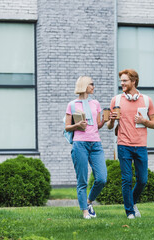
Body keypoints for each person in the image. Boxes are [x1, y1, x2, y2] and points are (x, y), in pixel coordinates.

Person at [107, 69, 154, 219]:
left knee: (142, 180)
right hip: (124, 145)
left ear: (133, 81)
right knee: (127, 179)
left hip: (141, 145)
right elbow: (109, 126)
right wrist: (113, 120)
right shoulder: (116, 100)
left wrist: (144, 121)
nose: (121, 83)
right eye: (121, 80)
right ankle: (130, 212)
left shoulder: (147, 100)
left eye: (125, 81)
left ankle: (132, 202)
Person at [65, 76, 108, 219]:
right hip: (80, 144)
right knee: (82, 180)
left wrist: (107, 120)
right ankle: (85, 211)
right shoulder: (72, 105)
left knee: (102, 178)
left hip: (96, 144)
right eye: (91, 84)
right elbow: (67, 127)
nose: (93, 87)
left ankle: (89, 201)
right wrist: (77, 125)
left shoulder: (95, 103)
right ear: (84, 85)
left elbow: (98, 125)